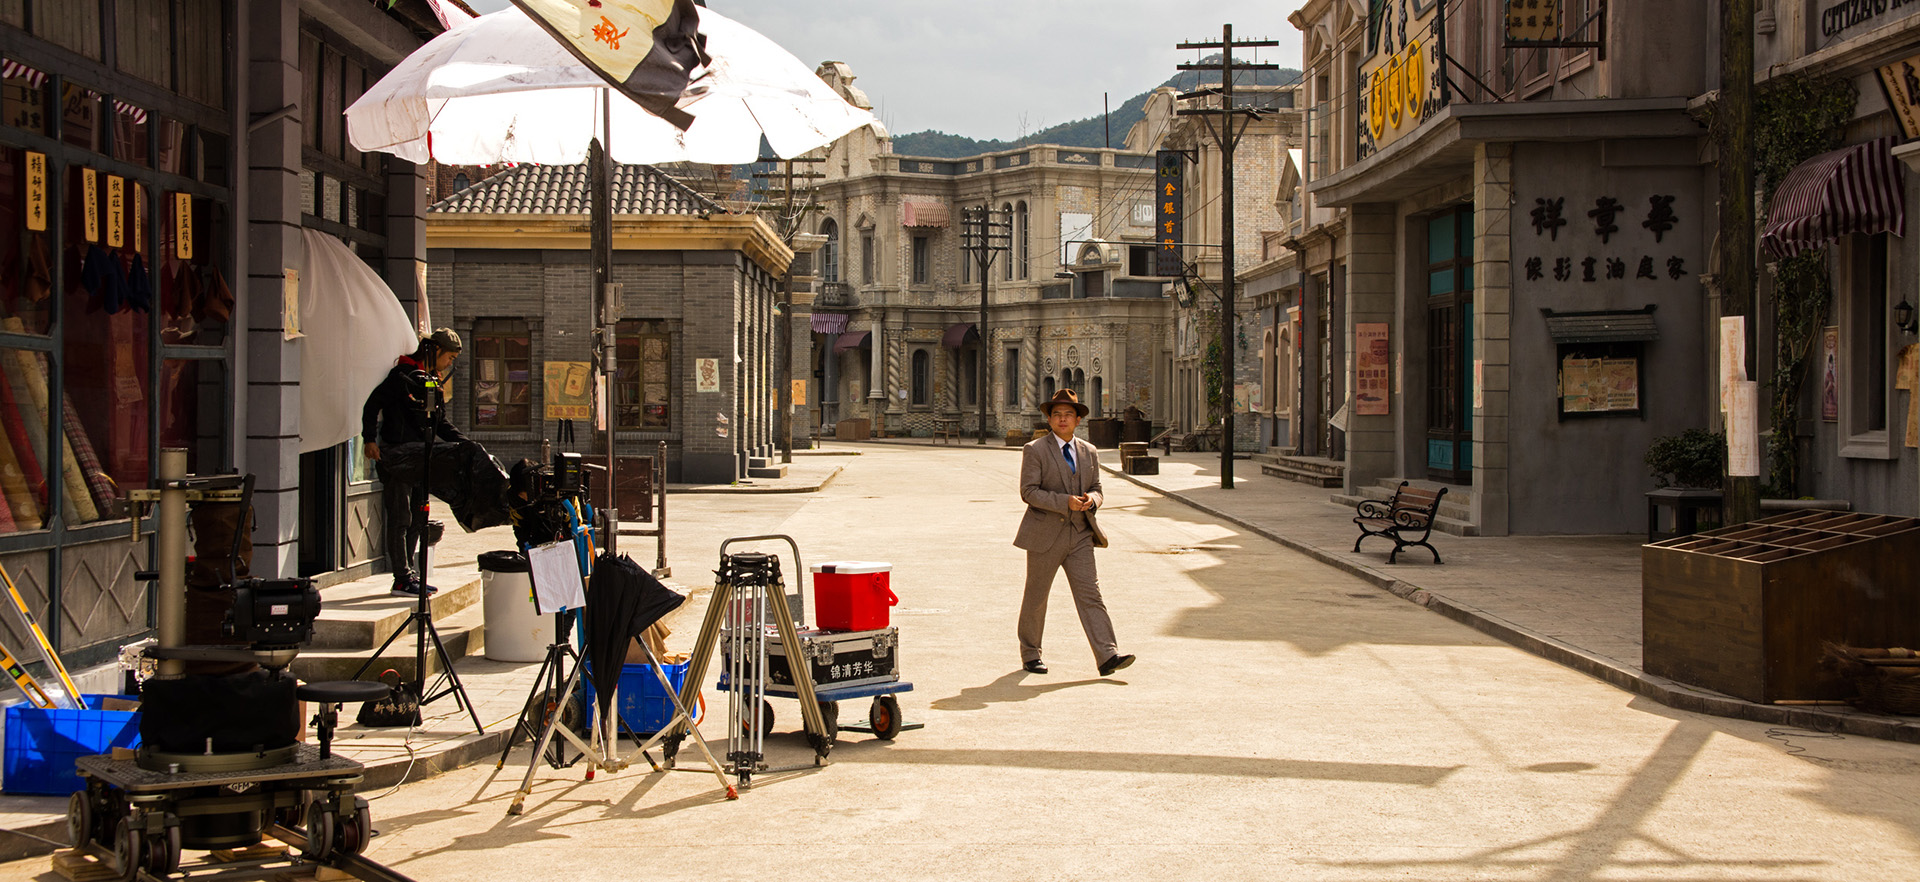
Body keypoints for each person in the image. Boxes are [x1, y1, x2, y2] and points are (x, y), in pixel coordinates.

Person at [1013, 389, 1134, 677]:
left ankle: (1107, 655)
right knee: (1037, 595)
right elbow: (1028, 492)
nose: (1062, 419)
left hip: (1080, 534)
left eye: (1068, 414)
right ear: (1050, 419)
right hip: (1044, 535)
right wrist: (1063, 502)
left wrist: (1093, 499)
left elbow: (1098, 488)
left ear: (1078, 419)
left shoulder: (1088, 451)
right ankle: (1031, 653)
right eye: (1056, 414)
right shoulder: (1035, 450)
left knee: (1090, 593)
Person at [362, 328, 467, 597]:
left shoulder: (433, 381)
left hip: (422, 458)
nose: (450, 363)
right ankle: (401, 578)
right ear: (436, 351)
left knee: (419, 517)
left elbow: (440, 423)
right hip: (396, 456)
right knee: (400, 517)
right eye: (450, 357)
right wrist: (369, 439)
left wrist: (465, 443)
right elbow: (372, 404)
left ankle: (411, 574)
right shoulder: (402, 377)